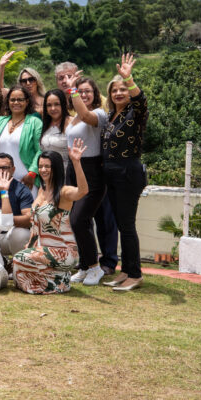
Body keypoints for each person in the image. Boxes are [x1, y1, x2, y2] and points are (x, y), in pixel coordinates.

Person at [61, 71, 119, 285]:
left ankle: (95, 268)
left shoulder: (98, 115)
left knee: (80, 219)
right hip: (73, 168)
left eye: (87, 91)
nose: (83, 94)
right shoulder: (73, 117)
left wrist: (72, 87)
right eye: (80, 91)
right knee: (75, 220)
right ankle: (85, 266)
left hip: (92, 170)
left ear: (95, 95)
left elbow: (86, 116)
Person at [99, 54, 148, 292]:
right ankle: (126, 271)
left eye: (122, 89)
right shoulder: (111, 116)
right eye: (114, 90)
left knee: (127, 225)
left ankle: (136, 274)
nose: (118, 93)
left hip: (128, 172)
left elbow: (141, 101)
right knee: (121, 225)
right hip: (112, 174)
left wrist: (129, 79)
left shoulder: (134, 114)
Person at [12, 145, 88, 294]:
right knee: (16, 267)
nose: (43, 170)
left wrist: (77, 162)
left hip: (63, 251)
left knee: (19, 258)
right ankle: (58, 278)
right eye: (40, 166)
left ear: (57, 168)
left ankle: (58, 282)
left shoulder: (64, 192)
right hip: (42, 249)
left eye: (48, 166)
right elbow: (36, 224)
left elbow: (83, 191)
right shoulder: (41, 189)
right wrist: (30, 246)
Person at [0, 85, 43, 190]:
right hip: (1, 180)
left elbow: (40, 150)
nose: (16, 103)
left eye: (20, 100)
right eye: (13, 100)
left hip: (26, 179)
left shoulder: (35, 122)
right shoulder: (1, 121)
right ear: (8, 102)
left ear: (27, 102)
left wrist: (32, 173)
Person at [40, 89, 70, 171]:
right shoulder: (45, 124)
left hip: (66, 173)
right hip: (47, 174)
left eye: (57, 104)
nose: (53, 108)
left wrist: (73, 90)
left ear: (63, 104)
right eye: (49, 105)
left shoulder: (71, 122)